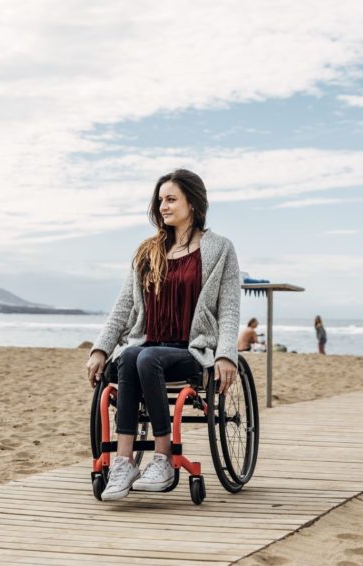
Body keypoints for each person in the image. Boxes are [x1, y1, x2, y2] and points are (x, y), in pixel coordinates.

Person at [85, 169, 241, 501]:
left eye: (171, 199)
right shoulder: (148, 251)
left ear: (193, 204)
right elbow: (124, 304)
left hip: (191, 351)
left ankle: (163, 458)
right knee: (130, 355)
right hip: (148, 346)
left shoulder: (220, 249)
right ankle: (124, 462)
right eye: (160, 201)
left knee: (146, 357)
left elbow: (229, 308)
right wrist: (100, 349)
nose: (163, 207)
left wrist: (228, 355)